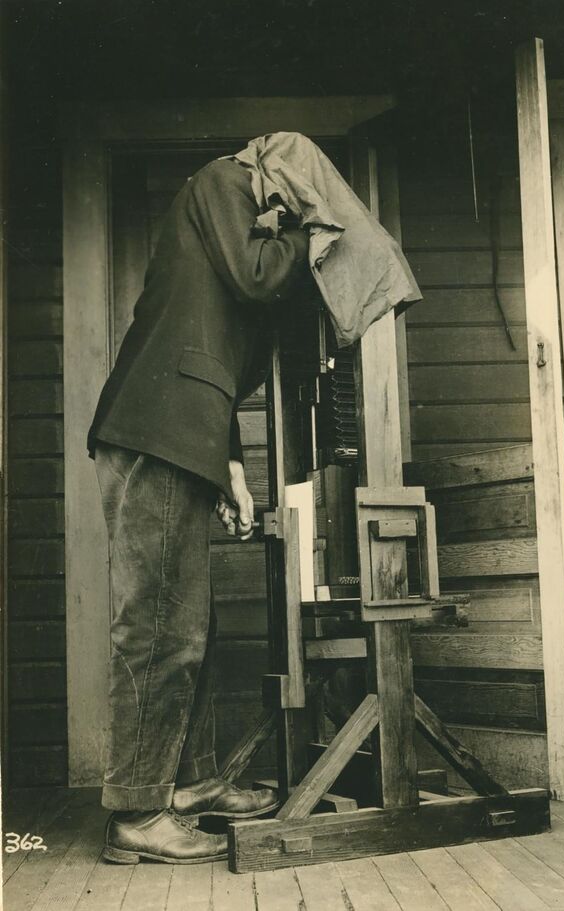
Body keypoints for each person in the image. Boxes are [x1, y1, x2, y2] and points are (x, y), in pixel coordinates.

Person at [87, 155, 309, 865]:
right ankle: (137, 812)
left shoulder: (225, 251)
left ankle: (188, 785)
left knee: (188, 621)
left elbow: (211, 369)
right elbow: (261, 272)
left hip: (182, 432)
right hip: (156, 432)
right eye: (284, 206)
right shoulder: (223, 179)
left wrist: (233, 472)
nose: (277, 221)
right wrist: (316, 232)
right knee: (158, 626)